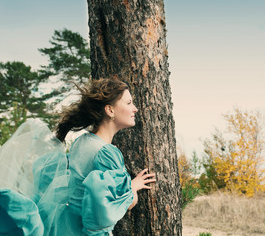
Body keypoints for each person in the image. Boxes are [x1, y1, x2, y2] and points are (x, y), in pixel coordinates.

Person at [0, 77, 156, 236]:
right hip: (81, 230)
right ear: (110, 110)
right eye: (129, 103)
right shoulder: (107, 153)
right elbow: (121, 204)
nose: (135, 108)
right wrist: (133, 187)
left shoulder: (82, 141)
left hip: (63, 224)